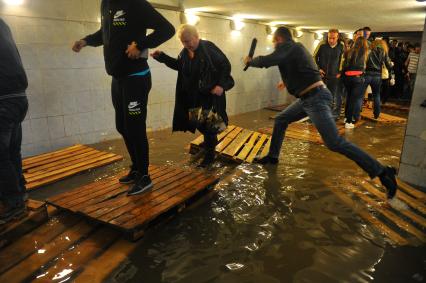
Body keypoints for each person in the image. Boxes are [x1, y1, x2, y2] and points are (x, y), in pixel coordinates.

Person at [244, 27, 398, 200]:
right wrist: (287, 82)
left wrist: (251, 61)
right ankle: (273, 157)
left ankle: (383, 172)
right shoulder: (295, 50)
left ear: (279, 39)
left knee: (334, 142)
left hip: (316, 98)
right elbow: (299, 69)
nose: (274, 44)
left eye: (274, 41)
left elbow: (269, 59)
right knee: (281, 119)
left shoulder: (289, 47)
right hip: (306, 98)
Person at [72, 0, 175, 195]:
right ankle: (136, 168)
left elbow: (167, 29)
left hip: (136, 77)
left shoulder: (135, 3)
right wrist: (86, 41)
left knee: (135, 127)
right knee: (123, 126)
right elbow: (106, 32)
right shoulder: (106, 4)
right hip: (118, 78)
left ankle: (144, 176)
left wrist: (141, 44)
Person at [151, 24, 234, 167]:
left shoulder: (208, 48)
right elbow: (180, 66)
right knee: (200, 123)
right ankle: (210, 143)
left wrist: (220, 85)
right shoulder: (184, 52)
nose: (186, 44)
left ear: (196, 37)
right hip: (193, 96)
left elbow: (225, 65)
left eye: (189, 40)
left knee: (209, 125)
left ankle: (209, 155)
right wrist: (163, 58)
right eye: (183, 41)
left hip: (209, 94)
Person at [0, 19, 29, 224]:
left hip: (4, 101)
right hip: (18, 97)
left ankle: (15, 203)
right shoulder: (3, 25)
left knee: (1, 156)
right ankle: (19, 192)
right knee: (11, 152)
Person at [313, 28, 345, 119]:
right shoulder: (322, 44)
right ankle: (319, 113)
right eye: (329, 38)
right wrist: (318, 69)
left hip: (335, 76)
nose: (331, 40)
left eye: (333, 38)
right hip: (322, 75)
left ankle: (331, 115)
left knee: (333, 96)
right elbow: (313, 57)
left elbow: (343, 60)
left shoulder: (341, 46)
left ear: (337, 37)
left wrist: (340, 72)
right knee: (320, 95)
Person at [342, 36, 369, 128]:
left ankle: (346, 117)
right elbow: (365, 66)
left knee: (349, 98)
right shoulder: (364, 52)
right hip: (357, 78)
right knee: (353, 100)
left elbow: (345, 64)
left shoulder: (349, 51)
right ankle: (349, 122)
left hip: (347, 77)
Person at [363, 39, 393, 119]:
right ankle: (376, 114)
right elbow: (388, 65)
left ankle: (357, 113)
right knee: (376, 95)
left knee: (361, 95)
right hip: (377, 75)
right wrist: (391, 64)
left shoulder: (368, 50)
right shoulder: (383, 52)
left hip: (367, 74)